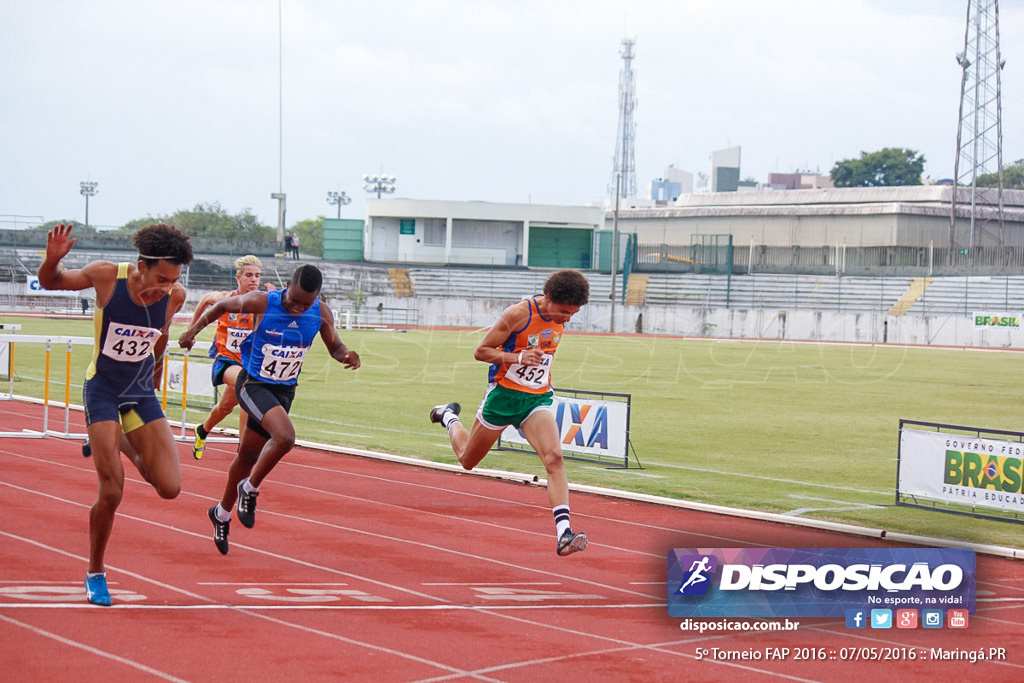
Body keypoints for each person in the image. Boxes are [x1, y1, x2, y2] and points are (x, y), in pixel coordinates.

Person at [37, 222, 193, 605]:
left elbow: (160, 338)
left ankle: (115, 439)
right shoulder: (107, 276)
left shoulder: (175, 296)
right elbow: (53, 282)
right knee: (112, 490)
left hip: (140, 394)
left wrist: (155, 373)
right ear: (141, 265)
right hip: (103, 389)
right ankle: (95, 572)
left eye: (172, 281)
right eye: (160, 278)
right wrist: (51, 260)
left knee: (170, 487)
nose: (165, 288)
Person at [177, 264, 360, 554]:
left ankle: (221, 513)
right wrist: (192, 332)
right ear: (287, 285)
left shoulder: (321, 312)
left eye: (306, 303)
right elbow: (223, 305)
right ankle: (249, 488)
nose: (298, 308)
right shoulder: (263, 302)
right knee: (285, 437)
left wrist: (347, 355)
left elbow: (335, 346)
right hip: (253, 384)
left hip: (285, 390)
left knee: (246, 457)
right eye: (294, 300)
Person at [428, 269, 591, 556]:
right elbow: (481, 351)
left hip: (536, 398)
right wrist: (516, 357)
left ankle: (564, 533)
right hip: (503, 396)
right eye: (564, 312)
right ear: (549, 298)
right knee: (467, 460)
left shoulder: (559, 314)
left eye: (573, 314)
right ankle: (448, 416)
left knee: (554, 457)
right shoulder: (518, 314)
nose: (567, 319)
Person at [188, 255, 274, 460]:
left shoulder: (262, 302)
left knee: (226, 407)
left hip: (248, 363)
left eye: (257, 276)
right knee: (248, 386)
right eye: (249, 275)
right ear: (238, 277)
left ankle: (202, 430)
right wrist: (191, 331)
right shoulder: (225, 299)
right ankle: (243, 451)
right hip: (225, 360)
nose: (254, 280)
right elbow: (205, 300)